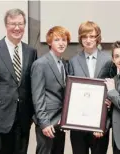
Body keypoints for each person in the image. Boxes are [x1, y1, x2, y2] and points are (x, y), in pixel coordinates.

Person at [0, 8, 37, 154]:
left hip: (23, 118)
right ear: (6, 25)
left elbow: (31, 85)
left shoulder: (31, 52)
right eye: (13, 24)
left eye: (20, 24)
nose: (17, 28)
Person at [68, 21, 113, 154]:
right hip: (78, 123)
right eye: (84, 37)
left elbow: (113, 86)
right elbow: (69, 91)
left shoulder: (109, 60)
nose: (88, 40)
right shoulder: (73, 61)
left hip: (100, 121)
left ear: (98, 38)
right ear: (80, 39)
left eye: (92, 36)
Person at [31, 26, 71, 154]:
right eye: (57, 40)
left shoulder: (65, 64)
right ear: (49, 42)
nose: (61, 43)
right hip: (47, 121)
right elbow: (38, 96)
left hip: (60, 121)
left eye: (64, 40)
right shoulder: (40, 64)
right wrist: (43, 123)